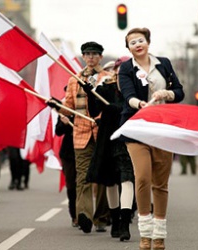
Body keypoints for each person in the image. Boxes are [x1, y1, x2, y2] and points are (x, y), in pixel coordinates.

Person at [118, 27, 184, 250]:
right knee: (143, 177)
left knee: (161, 183)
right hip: (137, 127)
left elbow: (180, 91)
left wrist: (167, 94)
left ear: (148, 42)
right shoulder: (126, 68)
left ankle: (159, 235)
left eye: (140, 40)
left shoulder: (163, 64)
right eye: (132, 42)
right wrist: (140, 104)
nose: (137, 44)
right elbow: (128, 95)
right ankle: (145, 233)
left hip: (163, 127)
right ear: (128, 48)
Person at [49, 41, 110, 234]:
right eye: (87, 54)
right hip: (81, 133)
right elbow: (69, 106)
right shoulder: (74, 80)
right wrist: (57, 107)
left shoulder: (108, 78)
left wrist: (102, 118)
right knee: (82, 177)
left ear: (100, 57)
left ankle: (101, 217)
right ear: (83, 57)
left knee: (101, 177)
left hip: (102, 133)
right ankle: (84, 215)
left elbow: (111, 105)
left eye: (94, 54)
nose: (90, 57)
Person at [86, 56, 135, 241]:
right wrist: (90, 93)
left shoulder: (135, 89)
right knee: (110, 181)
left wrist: (119, 108)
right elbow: (94, 109)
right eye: (119, 69)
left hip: (127, 138)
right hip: (108, 139)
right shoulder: (106, 87)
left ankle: (124, 223)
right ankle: (114, 221)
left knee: (127, 178)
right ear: (115, 71)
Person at [55, 114, 77, 227]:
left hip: (86, 150)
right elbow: (58, 131)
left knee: (83, 184)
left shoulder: (89, 107)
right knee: (71, 184)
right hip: (68, 154)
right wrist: (64, 123)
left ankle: (86, 213)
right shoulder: (65, 111)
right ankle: (74, 215)